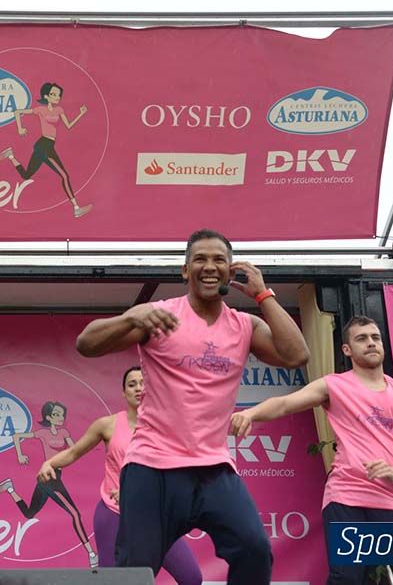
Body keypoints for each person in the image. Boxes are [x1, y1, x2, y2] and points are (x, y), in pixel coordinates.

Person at [75, 228, 309, 584]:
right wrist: (130, 318)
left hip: (213, 469)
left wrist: (263, 294)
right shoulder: (159, 316)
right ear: (185, 270)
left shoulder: (245, 325)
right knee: (132, 572)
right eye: (199, 259)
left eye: (219, 260)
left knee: (254, 549)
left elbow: (297, 355)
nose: (209, 266)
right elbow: (86, 344)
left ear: (232, 271)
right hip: (152, 468)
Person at [230, 315, 393, 585]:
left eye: (375, 338)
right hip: (346, 496)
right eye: (361, 339)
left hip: (390, 499)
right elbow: (285, 404)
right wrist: (251, 413)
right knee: (347, 578)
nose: (371, 343)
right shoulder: (334, 385)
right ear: (347, 350)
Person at [36, 366, 202, 584]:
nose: (138, 388)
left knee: (191, 577)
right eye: (131, 384)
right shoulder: (108, 425)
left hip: (156, 517)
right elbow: (74, 451)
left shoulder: (167, 428)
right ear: (123, 393)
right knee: (112, 581)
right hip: (114, 514)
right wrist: (49, 462)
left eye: (143, 383)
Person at [0, 400, 98, 567]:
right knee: (75, 514)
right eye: (56, 414)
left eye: (62, 414)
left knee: (29, 514)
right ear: (49, 417)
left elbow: (76, 449)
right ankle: (91, 554)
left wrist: (91, 444)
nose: (60, 417)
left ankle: (10, 488)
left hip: (52, 478)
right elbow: (17, 436)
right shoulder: (43, 433)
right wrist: (20, 455)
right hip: (49, 478)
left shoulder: (64, 432)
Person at [0, 81, 92, 218]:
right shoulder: (40, 110)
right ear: (46, 96)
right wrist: (20, 128)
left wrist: (81, 114)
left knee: (26, 175)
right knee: (64, 176)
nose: (57, 97)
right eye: (53, 94)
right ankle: (76, 208)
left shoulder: (59, 110)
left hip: (47, 146)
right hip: (44, 145)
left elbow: (69, 126)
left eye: (58, 95)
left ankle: (11, 155)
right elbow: (17, 112)